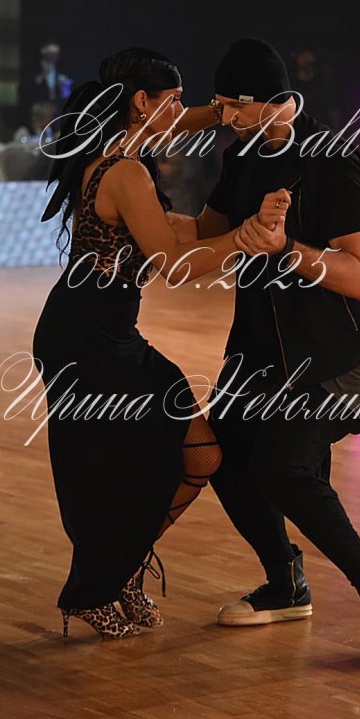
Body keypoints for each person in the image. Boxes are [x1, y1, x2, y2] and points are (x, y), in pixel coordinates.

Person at [192, 36, 360, 667]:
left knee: (284, 468)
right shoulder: (243, 156)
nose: (224, 118)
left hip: (332, 350)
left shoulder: (331, 159)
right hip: (259, 347)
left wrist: (286, 249)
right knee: (216, 451)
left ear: (266, 101)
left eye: (232, 106)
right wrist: (126, 211)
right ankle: (285, 583)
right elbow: (205, 233)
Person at [32, 47, 262, 641]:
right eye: (173, 100)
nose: (182, 114)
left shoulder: (121, 145)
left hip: (103, 332)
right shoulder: (126, 172)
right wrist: (246, 238)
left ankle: (118, 570)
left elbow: (177, 123)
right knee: (126, 466)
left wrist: (230, 111)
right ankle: (97, 585)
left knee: (188, 455)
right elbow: (174, 265)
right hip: (87, 339)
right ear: (141, 102)